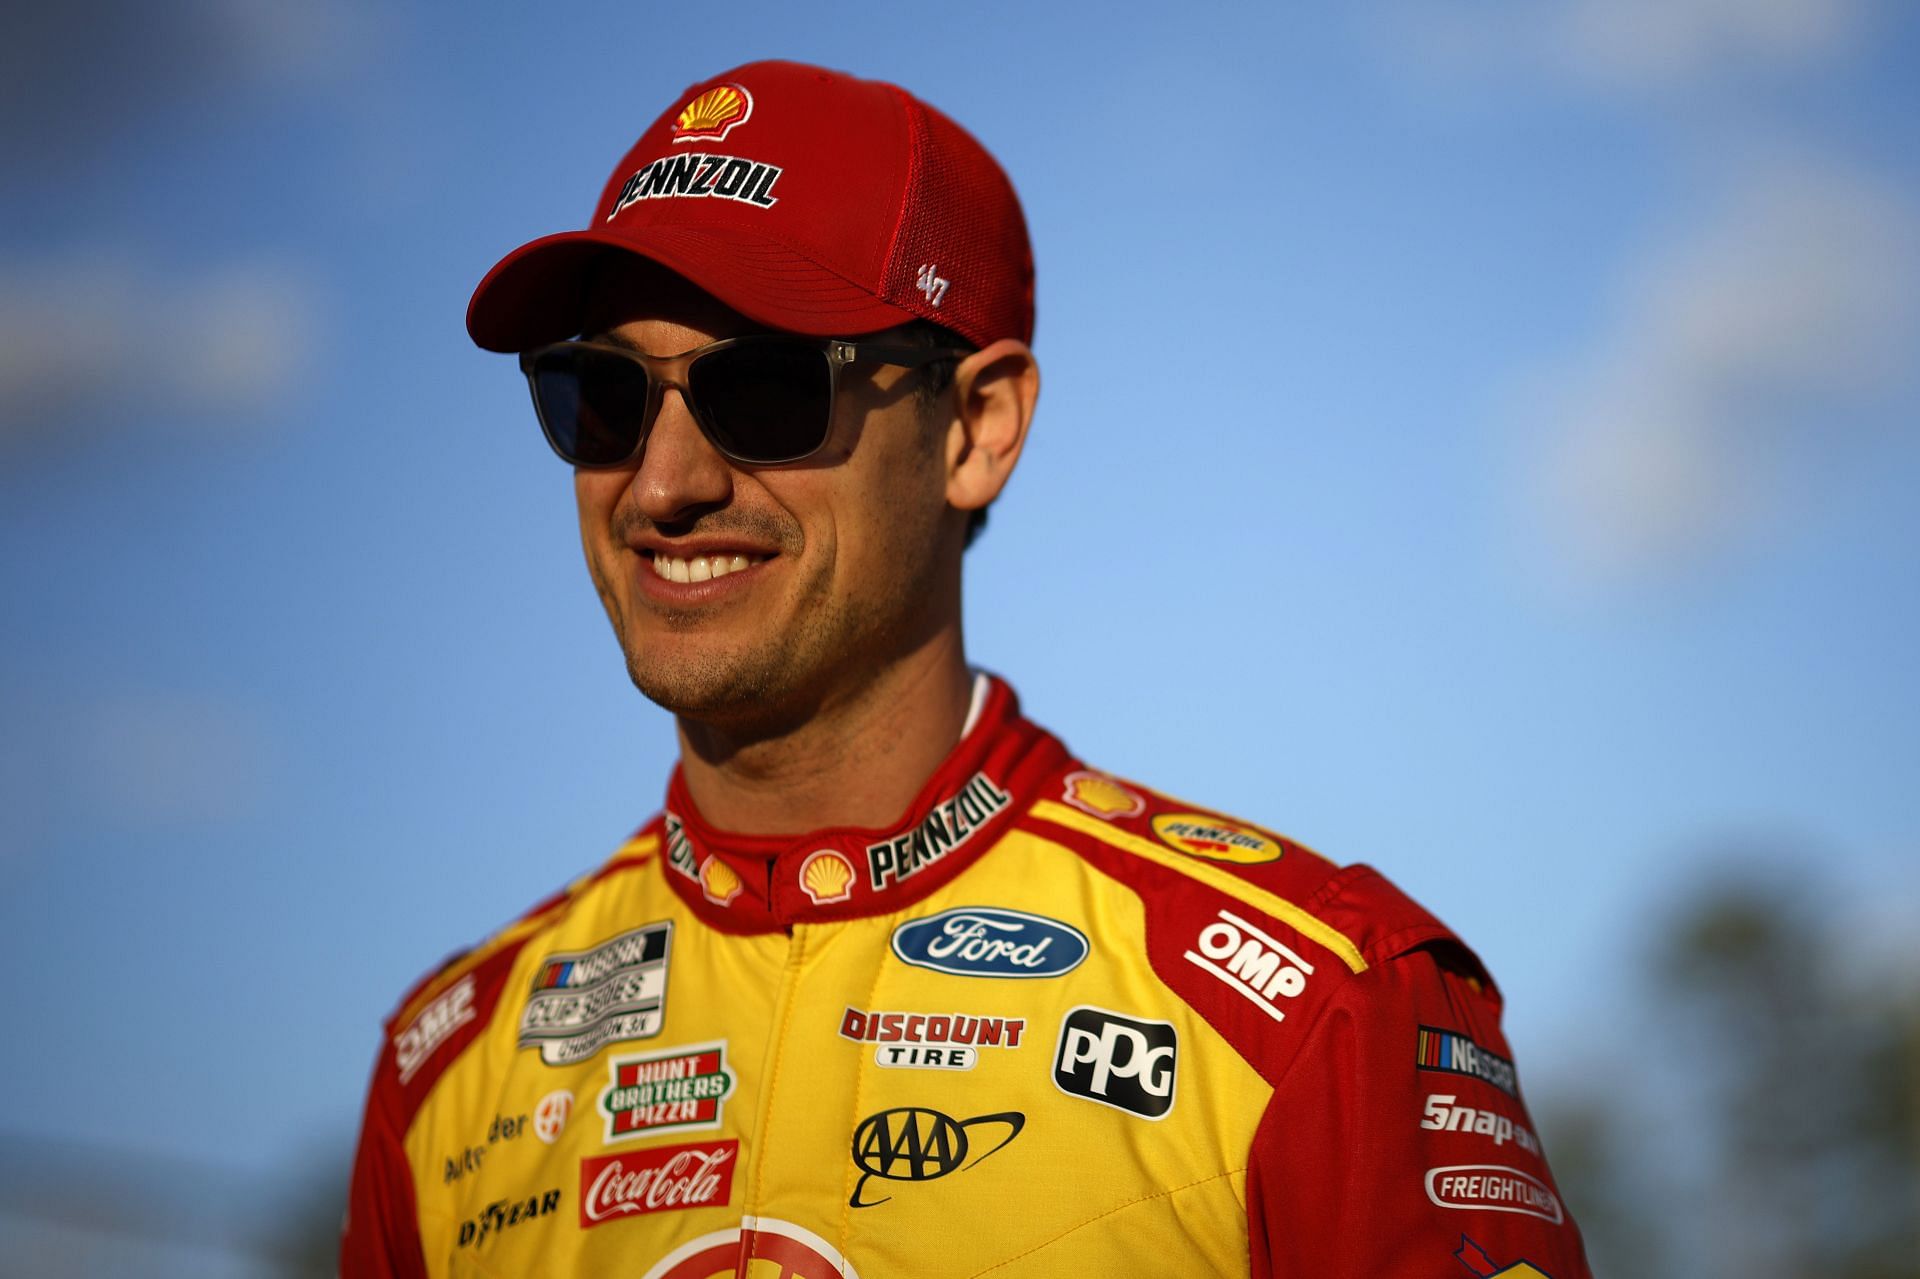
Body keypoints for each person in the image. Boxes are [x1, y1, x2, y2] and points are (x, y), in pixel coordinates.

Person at [342, 59, 1592, 1279]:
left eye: (767, 387)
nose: (664, 484)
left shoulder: (1321, 1014)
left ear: (978, 428)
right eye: (600, 396)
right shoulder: (442, 1080)